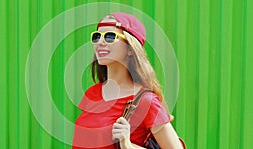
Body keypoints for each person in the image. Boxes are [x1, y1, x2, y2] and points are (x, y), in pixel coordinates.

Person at [72, 12, 184, 149]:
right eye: (97, 37)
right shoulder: (92, 93)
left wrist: (128, 145)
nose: (100, 42)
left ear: (131, 48)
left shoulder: (146, 101)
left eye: (110, 37)